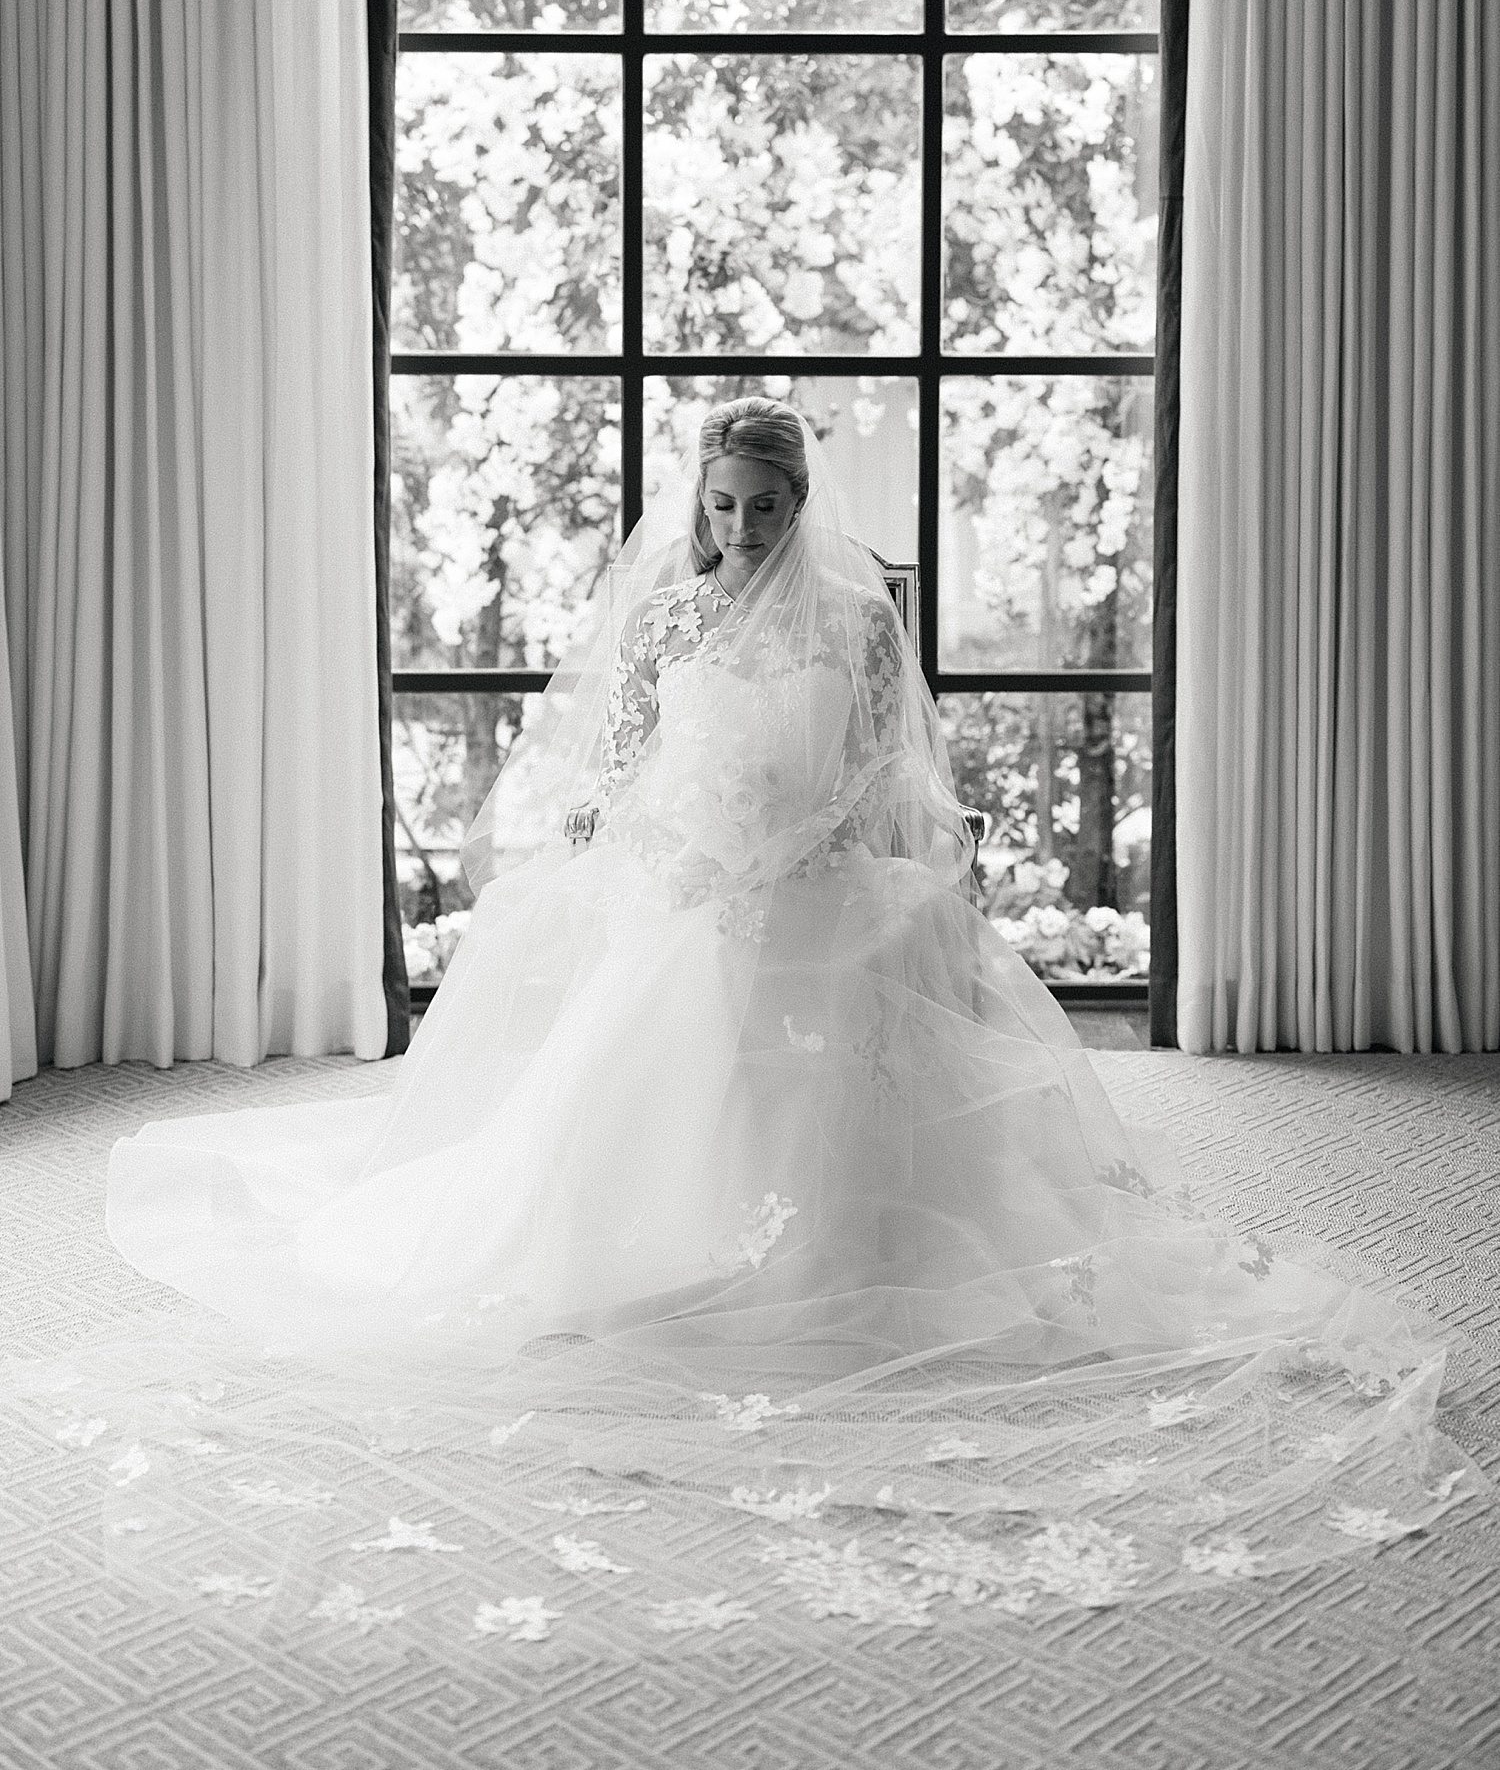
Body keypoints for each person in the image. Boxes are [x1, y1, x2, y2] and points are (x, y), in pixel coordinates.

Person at [80, 399, 1489, 1619]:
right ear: (699, 512)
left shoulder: (856, 622)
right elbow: (630, 750)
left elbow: (884, 760)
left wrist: (836, 849)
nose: (744, 529)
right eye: (725, 509)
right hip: (690, 889)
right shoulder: (675, 612)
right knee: (647, 1071)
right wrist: (632, 838)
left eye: (766, 508)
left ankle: (840, 1252)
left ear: (803, 508)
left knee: (840, 1080)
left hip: (813, 884)